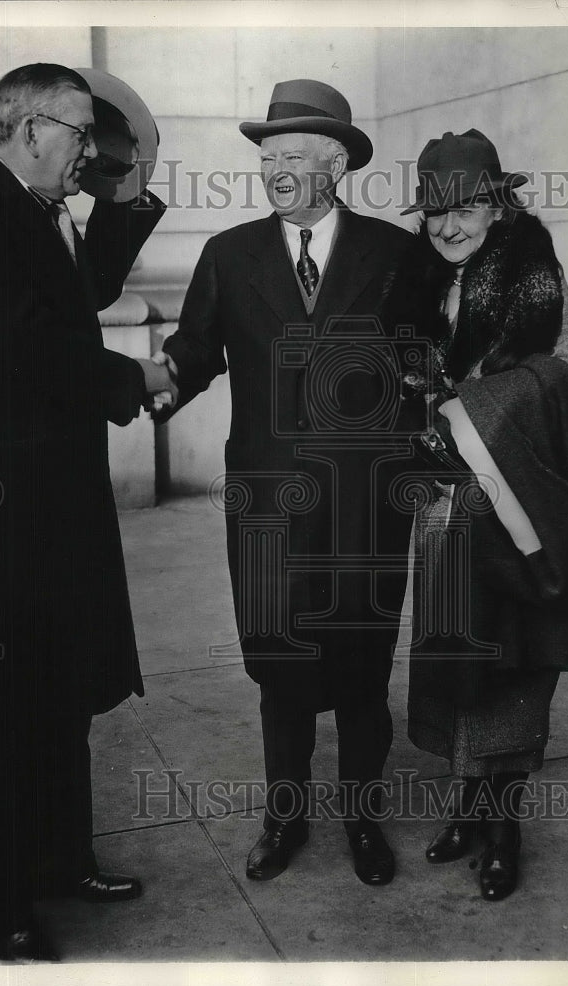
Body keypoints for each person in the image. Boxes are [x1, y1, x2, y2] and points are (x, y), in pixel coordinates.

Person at [0, 63, 174, 961]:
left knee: (60, 689)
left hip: (50, 498)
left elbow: (84, 294)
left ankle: (63, 863)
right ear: (31, 129)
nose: (90, 153)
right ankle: (1, 906)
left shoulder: (41, 210)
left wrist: (129, 194)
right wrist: (130, 378)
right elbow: (21, 338)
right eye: (82, 135)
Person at [152, 79, 416, 886]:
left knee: (365, 666)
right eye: (267, 159)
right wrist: (149, 383)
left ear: (335, 164)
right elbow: (195, 350)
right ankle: (284, 817)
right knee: (279, 664)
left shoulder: (395, 254)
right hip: (266, 501)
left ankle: (364, 821)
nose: (275, 172)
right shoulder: (230, 254)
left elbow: (421, 362)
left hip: (367, 500)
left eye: (293, 157)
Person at [385, 128, 568, 901]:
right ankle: (467, 807)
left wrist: (473, 410)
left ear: (498, 207)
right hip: (446, 506)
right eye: (434, 211)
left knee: (514, 664)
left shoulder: (535, 276)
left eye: (466, 208)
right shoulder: (412, 284)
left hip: (520, 505)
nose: (448, 226)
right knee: (454, 659)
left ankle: (503, 829)